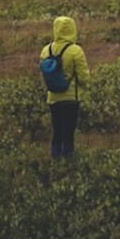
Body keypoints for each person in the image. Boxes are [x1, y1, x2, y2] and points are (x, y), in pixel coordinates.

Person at [40, 15, 90, 158]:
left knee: (57, 130)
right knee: (69, 132)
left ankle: (54, 158)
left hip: (53, 98)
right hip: (71, 98)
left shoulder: (46, 50)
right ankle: (68, 160)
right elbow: (84, 77)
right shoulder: (75, 51)